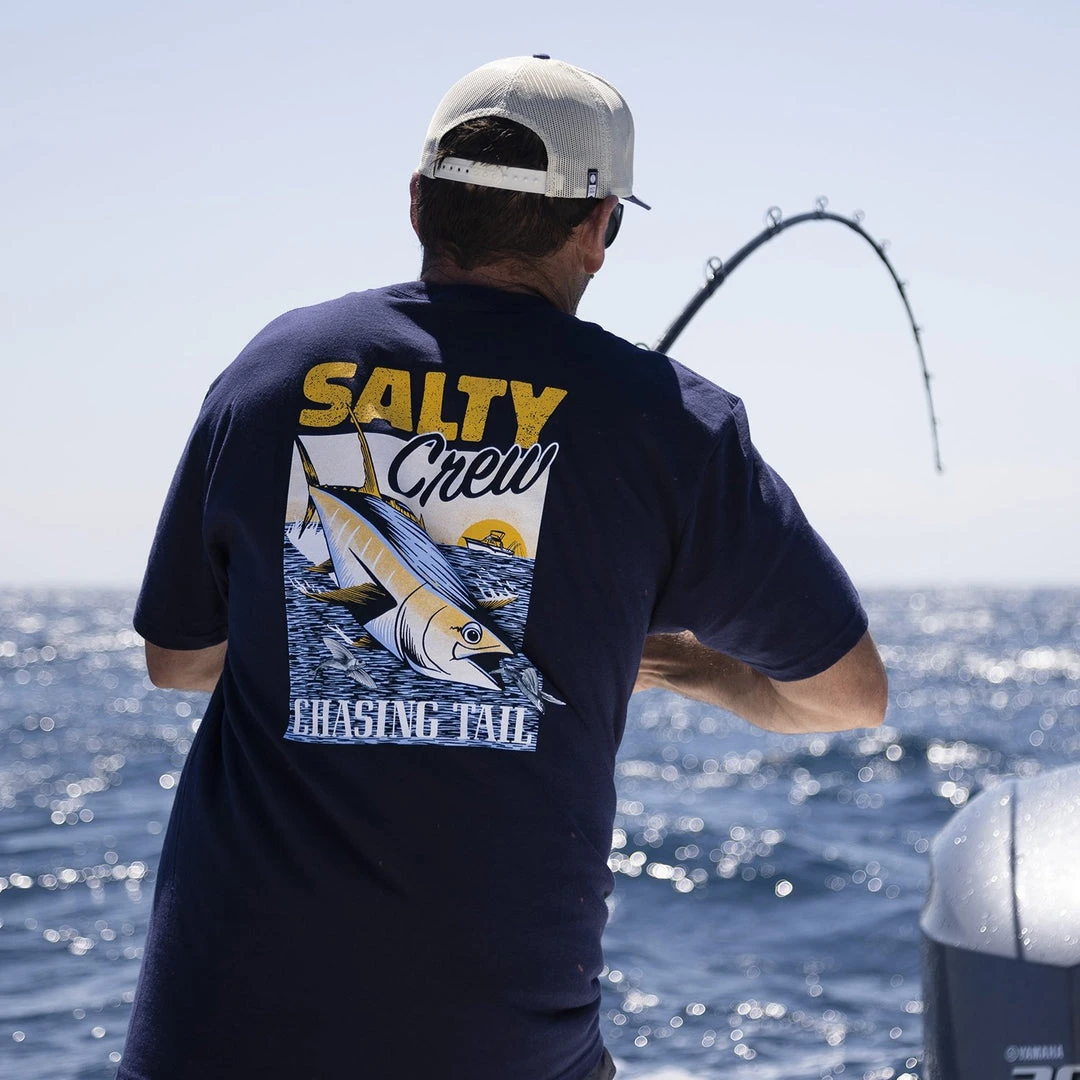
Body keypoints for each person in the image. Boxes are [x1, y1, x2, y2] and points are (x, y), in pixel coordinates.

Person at [127, 55, 887, 1080]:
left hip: (214, 1040)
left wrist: (338, 643)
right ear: (599, 228)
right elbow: (849, 697)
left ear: (418, 202)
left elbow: (177, 661)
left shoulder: (270, 373)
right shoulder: (671, 426)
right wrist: (682, 664)